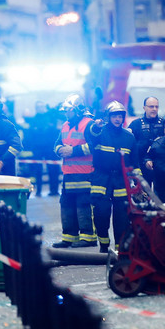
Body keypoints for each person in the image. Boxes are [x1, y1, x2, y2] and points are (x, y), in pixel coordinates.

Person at [89, 101, 141, 253]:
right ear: (108, 117)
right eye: (114, 116)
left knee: (122, 216)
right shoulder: (99, 132)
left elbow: (135, 162)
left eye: (120, 116)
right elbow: (90, 135)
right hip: (101, 178)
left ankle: (120, 247)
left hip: (121, 180)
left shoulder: (129, 137)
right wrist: (95, 127)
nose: (118, 119)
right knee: (101, 212)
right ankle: (104, 244)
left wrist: (138, 184)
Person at [51, 94, 98, 248]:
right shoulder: (65, 125)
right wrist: (60, 150)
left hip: (85, 173)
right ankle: (69, 237)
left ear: (77, 110)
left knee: (83, 205)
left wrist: (73, 151)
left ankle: (88, 238)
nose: (66, 113)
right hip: (68, 174)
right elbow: (56, 144)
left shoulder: (89, 124)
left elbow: (94, 146)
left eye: (69, 110)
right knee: (66, 204)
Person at [127, 96, 164, 187]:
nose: (154, 109)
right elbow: (128, 146)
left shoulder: (164, 124)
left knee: (160, 197)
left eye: (156, 106)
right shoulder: (135, 124)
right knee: (142, 197)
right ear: (144, 108)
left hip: (160, 166)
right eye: (151, 106)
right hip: (140, 166)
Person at [28, 101, 61, 197]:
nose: (40, 108)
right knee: (37, 170)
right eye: (38, 107)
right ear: (36, 108)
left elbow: (56, 132)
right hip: (37, 148)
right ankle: (38, 191)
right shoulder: (33, 120)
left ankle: (54, 190)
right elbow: (30, 135)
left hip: (50, 147)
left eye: (42, 106)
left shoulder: (51, 118)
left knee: (53, 169)